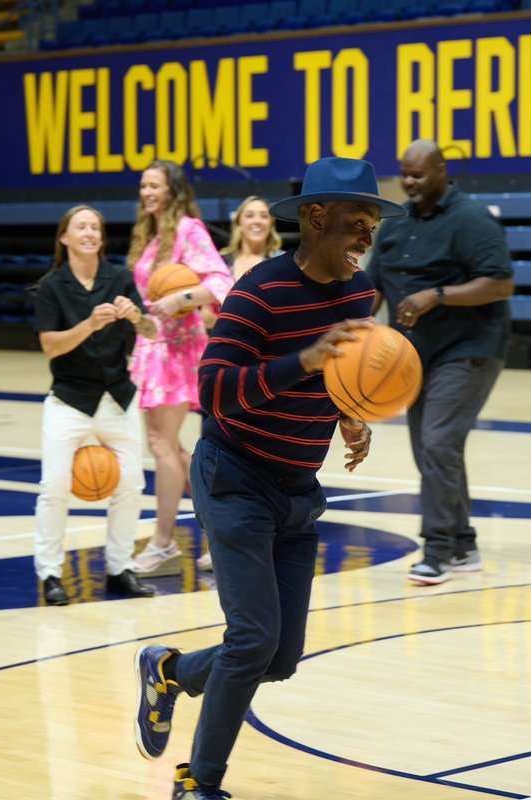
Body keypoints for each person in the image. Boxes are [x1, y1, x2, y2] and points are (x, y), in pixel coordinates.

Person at [132, 157, 403, 800]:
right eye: (357, 222)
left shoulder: (361, 293)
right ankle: (197, 782)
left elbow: (343, 373)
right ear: (315, 217)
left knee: (277, 659)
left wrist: (351, 420)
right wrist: (299, 361)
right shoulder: (258, 293)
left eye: (372, 223)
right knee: (253, 638)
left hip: (297, 491)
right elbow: (216, 391)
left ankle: (168, 671)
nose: (368, 236)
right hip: (235, 478)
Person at [366, 139, 515, 586]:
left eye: (418, 174)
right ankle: (463, 541)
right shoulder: (394, 225)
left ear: (441, 171)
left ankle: (437, 549)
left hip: (469, 349)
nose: (409, 183)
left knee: (437, 442)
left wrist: (438, 295)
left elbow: (500, 283)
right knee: (432, 449)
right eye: (404, 174)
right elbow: (375, 286)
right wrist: (353, 332)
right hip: (413, 355)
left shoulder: (470, 219)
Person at [32, 205, 158, 603]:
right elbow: (50, 347)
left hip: (117, 397)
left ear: (101, 239)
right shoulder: (52, 285)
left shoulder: (119, 277)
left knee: (131, 484)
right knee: (53, 486)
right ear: (65, 238)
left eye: (96, 228)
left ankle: (120, 569)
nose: (89, 232)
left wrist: (136, 316)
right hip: (70, 399)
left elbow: (152, 330)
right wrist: (90, 323)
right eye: (80, 226)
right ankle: (51, 574)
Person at [127, 160, 234, 577]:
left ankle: (164, 543)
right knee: (167, 446)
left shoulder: (189, 229)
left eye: (154, 185)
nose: (147, 192)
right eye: (143, 186)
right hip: (152, 345)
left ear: (172, 189)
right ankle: (221, 531)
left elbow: (221, 282)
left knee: (162, 444)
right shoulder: (149, 235)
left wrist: (183, 298)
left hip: (180, 346)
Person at [195, 194, 285, 570]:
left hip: (265, 377)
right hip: (225, 371)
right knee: (216, 461)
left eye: (264, 215)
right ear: (238, 223)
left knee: (266, 457)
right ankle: (214, 543)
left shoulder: (282, 266)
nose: (257, 220)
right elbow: (203, 315)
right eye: (250, 214)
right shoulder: (221, 265)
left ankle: (270, 534)